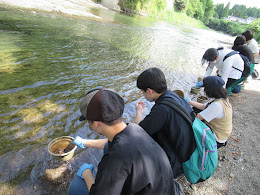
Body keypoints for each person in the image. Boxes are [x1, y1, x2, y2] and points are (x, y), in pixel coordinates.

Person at [69, 88, 183, 194]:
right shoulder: (135, 129)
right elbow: (110, 144)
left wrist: (86, 173)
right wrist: (84, 142)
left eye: (88, 121)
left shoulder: (115, 158)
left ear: (96, 123)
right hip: (167, 189)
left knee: (77, 186)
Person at [134, 67, 196, 179]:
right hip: (190, 149)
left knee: (137, 143)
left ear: (149, 91)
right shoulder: (173, 96)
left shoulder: (161, 109)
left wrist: (138, 112)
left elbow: (139, 132)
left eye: (143, 92)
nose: (143, 95)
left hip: (178, 163)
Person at [185, 76, 232, 148]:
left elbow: (197, 118)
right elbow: (204, 106)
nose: (204, 91)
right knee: (195, 109)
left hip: (217, 137)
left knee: (191, 120)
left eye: (205, 88)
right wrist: (188, 101)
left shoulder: (216, 105)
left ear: (210, 90)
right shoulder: (222, 99)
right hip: (223, 132)